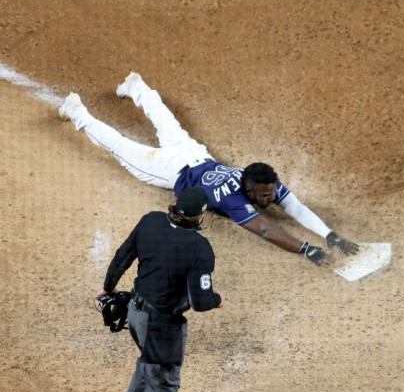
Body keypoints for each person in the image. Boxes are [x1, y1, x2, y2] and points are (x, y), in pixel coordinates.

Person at [59, 72, 359, 266]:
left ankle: (137, 86)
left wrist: (329, 234)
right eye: (266, 196)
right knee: (121, 148)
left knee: (166, 121)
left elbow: (294, 206)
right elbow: (266, 230)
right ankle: (78, 112)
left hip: (194, 154)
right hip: (169, 169)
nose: (271, 200)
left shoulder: (259, 178)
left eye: (271, 195)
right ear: (249, 189)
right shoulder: (234, 200)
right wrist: (305, 248)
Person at [96, 187, 224, 392]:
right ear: (201, 217)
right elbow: (201, 302)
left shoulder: (150, 220)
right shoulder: (200, 248)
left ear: (175, 205)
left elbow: (122, 256)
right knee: (164, 384)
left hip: (136, 311)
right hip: (161, 324)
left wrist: (107, 288)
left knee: (148, 364)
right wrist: (217, 299)